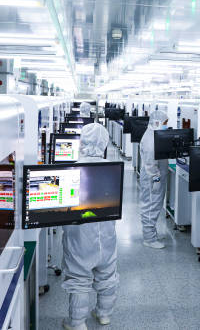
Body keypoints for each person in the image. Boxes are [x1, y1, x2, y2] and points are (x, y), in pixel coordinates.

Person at [61, 123, 118, 330]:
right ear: (105, 143)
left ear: (82, 142)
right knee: (108, 274)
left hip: (80, 235)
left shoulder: (72, 170)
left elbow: (64, 206)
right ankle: (104, 315)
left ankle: (77, 323)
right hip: (107, 234)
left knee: (79, 277)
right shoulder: (114, 168)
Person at [139, 109, 169, 249]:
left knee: (154, 205)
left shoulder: (153, 135)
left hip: (154, 176)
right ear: (157, 122)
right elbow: (150, 164)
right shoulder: (150, 140)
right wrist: (156, 179)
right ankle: (149, 239)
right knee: (151, 206)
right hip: (152, 178)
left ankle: (152, 234)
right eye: (165, 123)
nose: (166, 125)